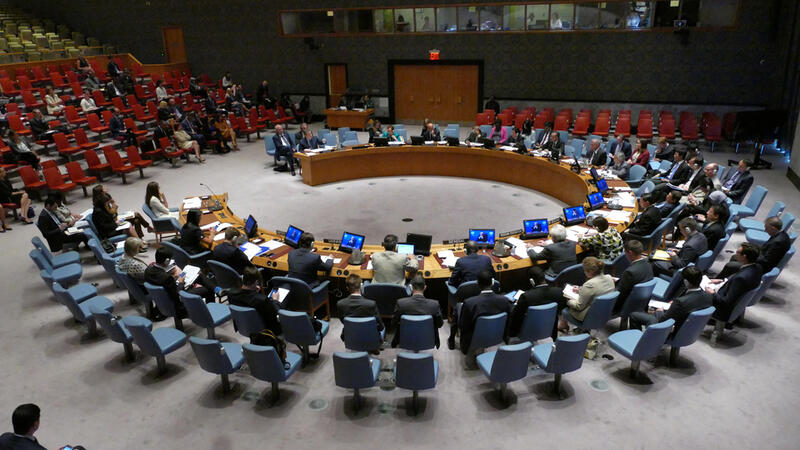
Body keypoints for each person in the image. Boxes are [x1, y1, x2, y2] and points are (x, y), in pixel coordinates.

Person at [629, 266, 712, 334]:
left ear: (686, 282)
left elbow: (663, 320)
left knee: (634, 315)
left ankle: (641, 343)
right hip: (689, 331)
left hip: (672, 330)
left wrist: (659, 311)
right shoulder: (708, 296)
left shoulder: (680, 301)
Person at [449, 270, 511, 352]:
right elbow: (508, 322)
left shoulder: (469, 303)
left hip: (472, 340)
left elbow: (463, 325)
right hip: (497, 336)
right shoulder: (505, 300)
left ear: (478, 283)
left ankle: (451, 340)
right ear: (492, 283)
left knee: (458, 307)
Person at [717, 217, 789, 278]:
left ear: (773, 228)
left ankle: (718, 281)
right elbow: (765, 250)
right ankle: (731, 278)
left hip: (761, 267)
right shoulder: (782, 235)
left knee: (730, 266)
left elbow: (767, 261)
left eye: (766, 228)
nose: (765, 230)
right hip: (761, 259)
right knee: (735, 257)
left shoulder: (778, 242)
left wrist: (749, 257)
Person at [707, 243, 762, 322]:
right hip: (724, 290)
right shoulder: (757, 268)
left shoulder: (741, 278)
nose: (735, 255)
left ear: (744, 256)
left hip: (720, 309)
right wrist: (723, 281)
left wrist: (712, 293)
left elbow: (725, 302)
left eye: (738, 253)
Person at [145, 246, 211, 312]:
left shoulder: (147, 271)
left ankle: (215, 289)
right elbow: (177, 295)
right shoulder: (167, 278)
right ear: (167, 261)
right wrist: (181, 282)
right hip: (177, 304)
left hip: (162, 298)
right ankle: (211, 310)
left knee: (199, 276)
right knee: (205, 290)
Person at [390, 273, 443, 348]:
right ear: (425, 287)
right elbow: (440, 324)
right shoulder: (434, 305)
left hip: (405, 339)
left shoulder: (401, 303)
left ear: (411, 287)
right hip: (428, 339)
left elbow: (393, 323)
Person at [508, 266, 564, 339]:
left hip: (530, 328)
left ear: (531, 281)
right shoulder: (559, 292)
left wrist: (517, 304)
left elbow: (517, 316)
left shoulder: (526, 296)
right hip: (550, 327)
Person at [227, 266, 281, 337]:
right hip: (266, 331)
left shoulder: (231, 294)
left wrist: (255, 293)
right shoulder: (262, 300)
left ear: (243, 279)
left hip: (243, 326)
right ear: (256, 282)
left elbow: (247, 299)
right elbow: (274, 313)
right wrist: (275, 300)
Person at [562, 257, 615, 328]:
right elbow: (597, 289)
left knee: (566, 303)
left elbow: (579, 307)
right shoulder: (609, 277)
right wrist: (580, 289)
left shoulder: (590, 284)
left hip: (590, 316)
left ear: (589, 272)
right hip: (605, 312)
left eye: (584, 270)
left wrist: (568, 300)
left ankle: (563, 325)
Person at [337, 274, 384, 342]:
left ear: (347, 288)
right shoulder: (371, 304)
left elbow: (343, 321)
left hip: (351, 336)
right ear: (361, 286)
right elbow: (381, 327)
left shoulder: (340, 304)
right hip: (370, 336)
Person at [612, 240, 654, 314]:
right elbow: (635, 281)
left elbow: (620, 294)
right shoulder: (648, 265)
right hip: (641, 303)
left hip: (625, 306)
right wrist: (620, 280)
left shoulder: (630, 272)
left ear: (630, 252)